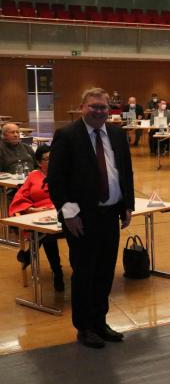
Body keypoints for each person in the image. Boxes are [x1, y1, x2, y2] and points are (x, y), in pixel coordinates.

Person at [48, 87, 135, 349]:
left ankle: (100, 321)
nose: (99, 111)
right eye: (94, 106)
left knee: (106, 271)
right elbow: (56, 178)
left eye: (103, 107)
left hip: (110, 214)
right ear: (82, 107)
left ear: (110, 109)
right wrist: (69, 213)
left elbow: (125, 171)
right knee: (84, 272)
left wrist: (127, 204)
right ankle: (84, 327)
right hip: (82, 218)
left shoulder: (117, 134)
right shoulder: (67, 135)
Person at [9, 145, 64, 291]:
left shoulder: (63, 173)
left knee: (44, 234)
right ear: (39, 162)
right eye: (48, 159)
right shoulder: (33, 176)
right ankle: (57, 272)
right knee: (45, 233)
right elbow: (20, 197)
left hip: (62, 213)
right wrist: (33, 209)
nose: (52, 161)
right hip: (40, 215)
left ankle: (29, 257)